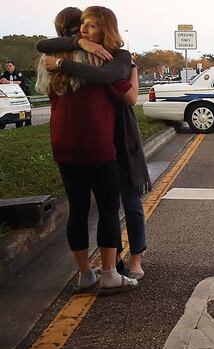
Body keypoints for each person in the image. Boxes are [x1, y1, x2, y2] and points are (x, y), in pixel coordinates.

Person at [37, 11, 148, 280]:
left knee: (79, 209)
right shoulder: (105, 57)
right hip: (100, 142)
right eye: (83, 27)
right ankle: (112, 271)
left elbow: (43, 46)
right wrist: (82, 46)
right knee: (111, 207)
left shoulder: (50, 61)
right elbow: (127, 95)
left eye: (91, 26)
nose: (85, 31)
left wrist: (64, 62)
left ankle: (86, 274)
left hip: (65, 143)